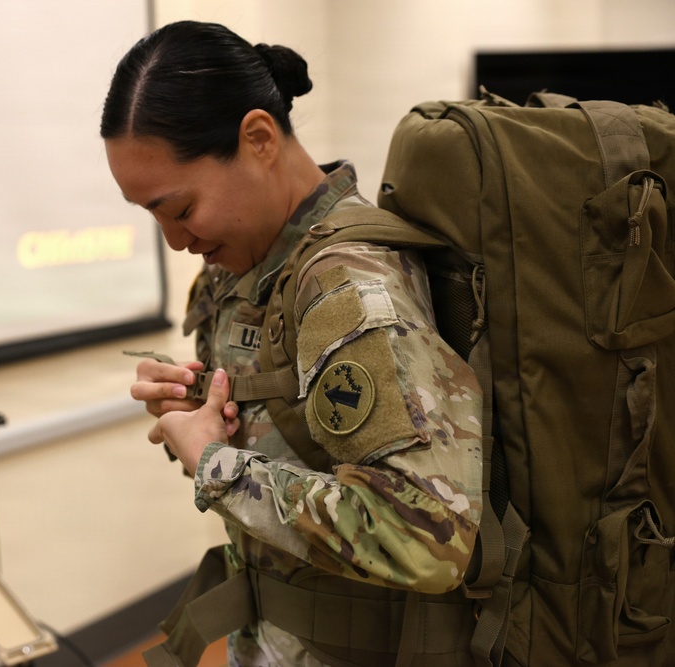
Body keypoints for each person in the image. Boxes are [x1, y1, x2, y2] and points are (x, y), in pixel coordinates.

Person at [101, 20, 484, 667]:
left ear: (258, 139)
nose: (174, 240)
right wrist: (195, 411)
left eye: (180, 208)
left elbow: (425, 538)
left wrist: (216, 468)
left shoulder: (348, 287)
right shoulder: (242, 268)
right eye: (153, 216)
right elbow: (290, 435)